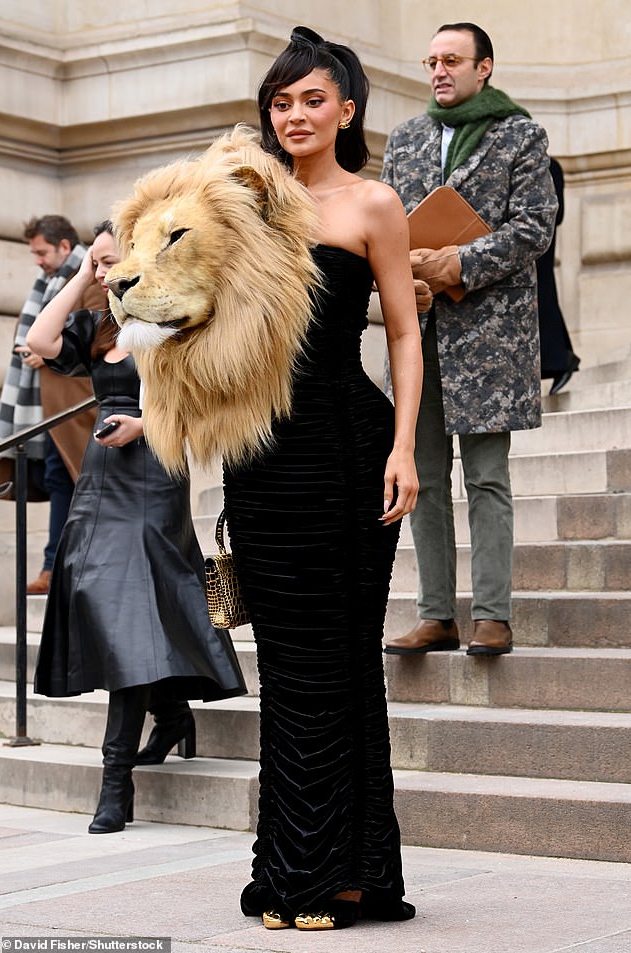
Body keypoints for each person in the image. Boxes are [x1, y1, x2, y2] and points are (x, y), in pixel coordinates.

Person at [223, 26, 423, 931]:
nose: (294, 114)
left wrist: (406, 446)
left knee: (344, 661)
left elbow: (405, 334)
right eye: (281, 100)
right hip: (261, 459)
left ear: (346, 110)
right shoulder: (243, 205)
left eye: (311, 99)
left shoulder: (376, 205)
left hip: (349, 447)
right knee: (290, 670)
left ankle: (347, 874)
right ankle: (296, 867)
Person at [27, 221, 246, 834]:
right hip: (100, 479)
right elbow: (42, 342)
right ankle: (172, 713)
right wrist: (78, 279)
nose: (100, 273)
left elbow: (206, 403)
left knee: (132, 611)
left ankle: (114, 782)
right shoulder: (95, 327)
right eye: (95, 263)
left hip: (155, 474)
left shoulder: (174, 321)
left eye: (107, 262)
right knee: (108, 602)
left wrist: (143, 425)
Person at [381, 22, 558, 658]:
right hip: (417, 328)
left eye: (452, 60)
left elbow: (535, 226)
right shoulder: (403, 140)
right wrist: (403, 273)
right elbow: (385, 229)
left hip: (491, 336)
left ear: (484, 67)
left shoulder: (521, 133)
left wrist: (458, 262)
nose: (438, 71)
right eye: (431, 60)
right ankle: (435, 614)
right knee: (419, 475)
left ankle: (492, 615)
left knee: (486, 476)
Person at [0, 214, 104, 595]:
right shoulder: (48, 283)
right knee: (56, 478)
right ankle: (55, 564)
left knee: (66, 478)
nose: (37, 260)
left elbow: (97, 333)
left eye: (42, 252)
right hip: (47, 407)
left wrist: (51, 352)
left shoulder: (91, 279)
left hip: (75, 404)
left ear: (63, 246)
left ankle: (55, 565)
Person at [537, 157, 581, 395]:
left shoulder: (550, 166)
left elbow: (558, 212)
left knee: (543, 297)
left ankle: (560, 360)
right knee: (543, 298)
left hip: (540, 244)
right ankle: (560, 359)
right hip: (533, 246)